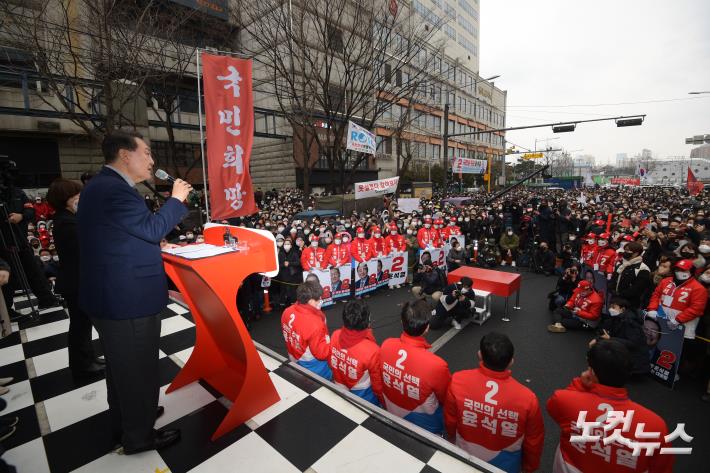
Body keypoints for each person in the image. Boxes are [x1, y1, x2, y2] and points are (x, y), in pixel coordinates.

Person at [77, 130, 191, 453]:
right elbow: (152, 228)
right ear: (125, 156)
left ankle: (128, 420)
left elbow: (122, 236)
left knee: (121, 369)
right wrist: (177, 199)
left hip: (112, 294)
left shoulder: (102, 187)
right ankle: (139, 436)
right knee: (138, 370)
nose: (152, 160)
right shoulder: (115, 191)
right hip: (126, 300)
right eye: (147, 153)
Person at [547, 339, 674, 473]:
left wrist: (581, 383)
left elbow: (553, 409)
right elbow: (661, 467)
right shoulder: (655, 425)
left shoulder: (563, 400)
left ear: (592, 373)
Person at [445, 332, 544, 473]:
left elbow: (450, 420)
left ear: (479, 355)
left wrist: (450, 439)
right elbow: (533, 441)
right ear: (511, 362)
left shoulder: (458, 380)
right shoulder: (528, 398)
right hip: (506, 464)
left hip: (464, 454)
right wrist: (529, 467)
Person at [47, 178, 103, 377]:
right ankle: (82, 364)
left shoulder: (69, 219)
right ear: (66, 199)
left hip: (77, 279)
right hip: (76, 281)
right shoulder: (66, 222)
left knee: (83, 324)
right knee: (79, 325)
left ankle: (88, 358)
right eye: (76, 195)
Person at [380, 299, 451, 434]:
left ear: (402, 322)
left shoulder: (386, 345)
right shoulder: (437, 365)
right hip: (427, 426)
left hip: (391, 413)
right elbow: (445, 399)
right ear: (427, 328)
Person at [646, 258, 707, 375]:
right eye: (677, 269)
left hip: (683, 326)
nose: (680, 272)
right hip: (661, 320)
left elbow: (697, 308)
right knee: (660, 343)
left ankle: (674, 373)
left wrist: (678, 319)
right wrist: (652, 309)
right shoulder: (666, 281)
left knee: (677, 349)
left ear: (692, 271)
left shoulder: (698, 288)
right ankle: (655, 366)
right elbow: (656, 295)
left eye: (683, 270)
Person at [329, 300, 383, 405]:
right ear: (368, 321)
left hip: (339, 383)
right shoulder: (373, 350)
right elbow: (377, 384)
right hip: (363, 393)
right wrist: (382, 400)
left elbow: (331, 362)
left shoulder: (335, 334)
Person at [281, 280, 332, 379]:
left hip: (293, 355)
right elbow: (321, 354)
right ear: (311, 301)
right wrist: (334, 344)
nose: (321, 300)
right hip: (313, 365)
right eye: (319, 299)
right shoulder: (315, 323)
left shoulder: (287, 311)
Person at [591, 297, 648, 375]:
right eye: (610, 307)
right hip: (624, 353)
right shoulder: (615, 318)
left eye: (614, 307)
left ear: (623, 309)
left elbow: (633, 344)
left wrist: (610, 338)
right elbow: (604, 332)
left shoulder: (630, 322)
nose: (611, 309)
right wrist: (597, 339)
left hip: (635, 364)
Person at [610, 241, 651, 310]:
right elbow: (614, 278)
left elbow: (636, 289)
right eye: (625, 250)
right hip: (614, 299)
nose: (625, 252)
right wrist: (612, 289)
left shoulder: (643, 268)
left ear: (636, 253)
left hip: (629, 303)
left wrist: (620, 295)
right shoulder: (621, 263)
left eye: (628, 251)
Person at [277, 238, 301, 307]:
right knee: (283, 290)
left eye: (288, 244)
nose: (286, 245)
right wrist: (283, 264)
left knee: (292, 290)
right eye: (285, 244)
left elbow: (298, 263)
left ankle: (293, 303)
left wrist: (289, 263)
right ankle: (282, 303)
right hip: (283, 275)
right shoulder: (281, 254)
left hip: (292, 275)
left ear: (290, 245)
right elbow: (278, 264)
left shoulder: (294, 253)